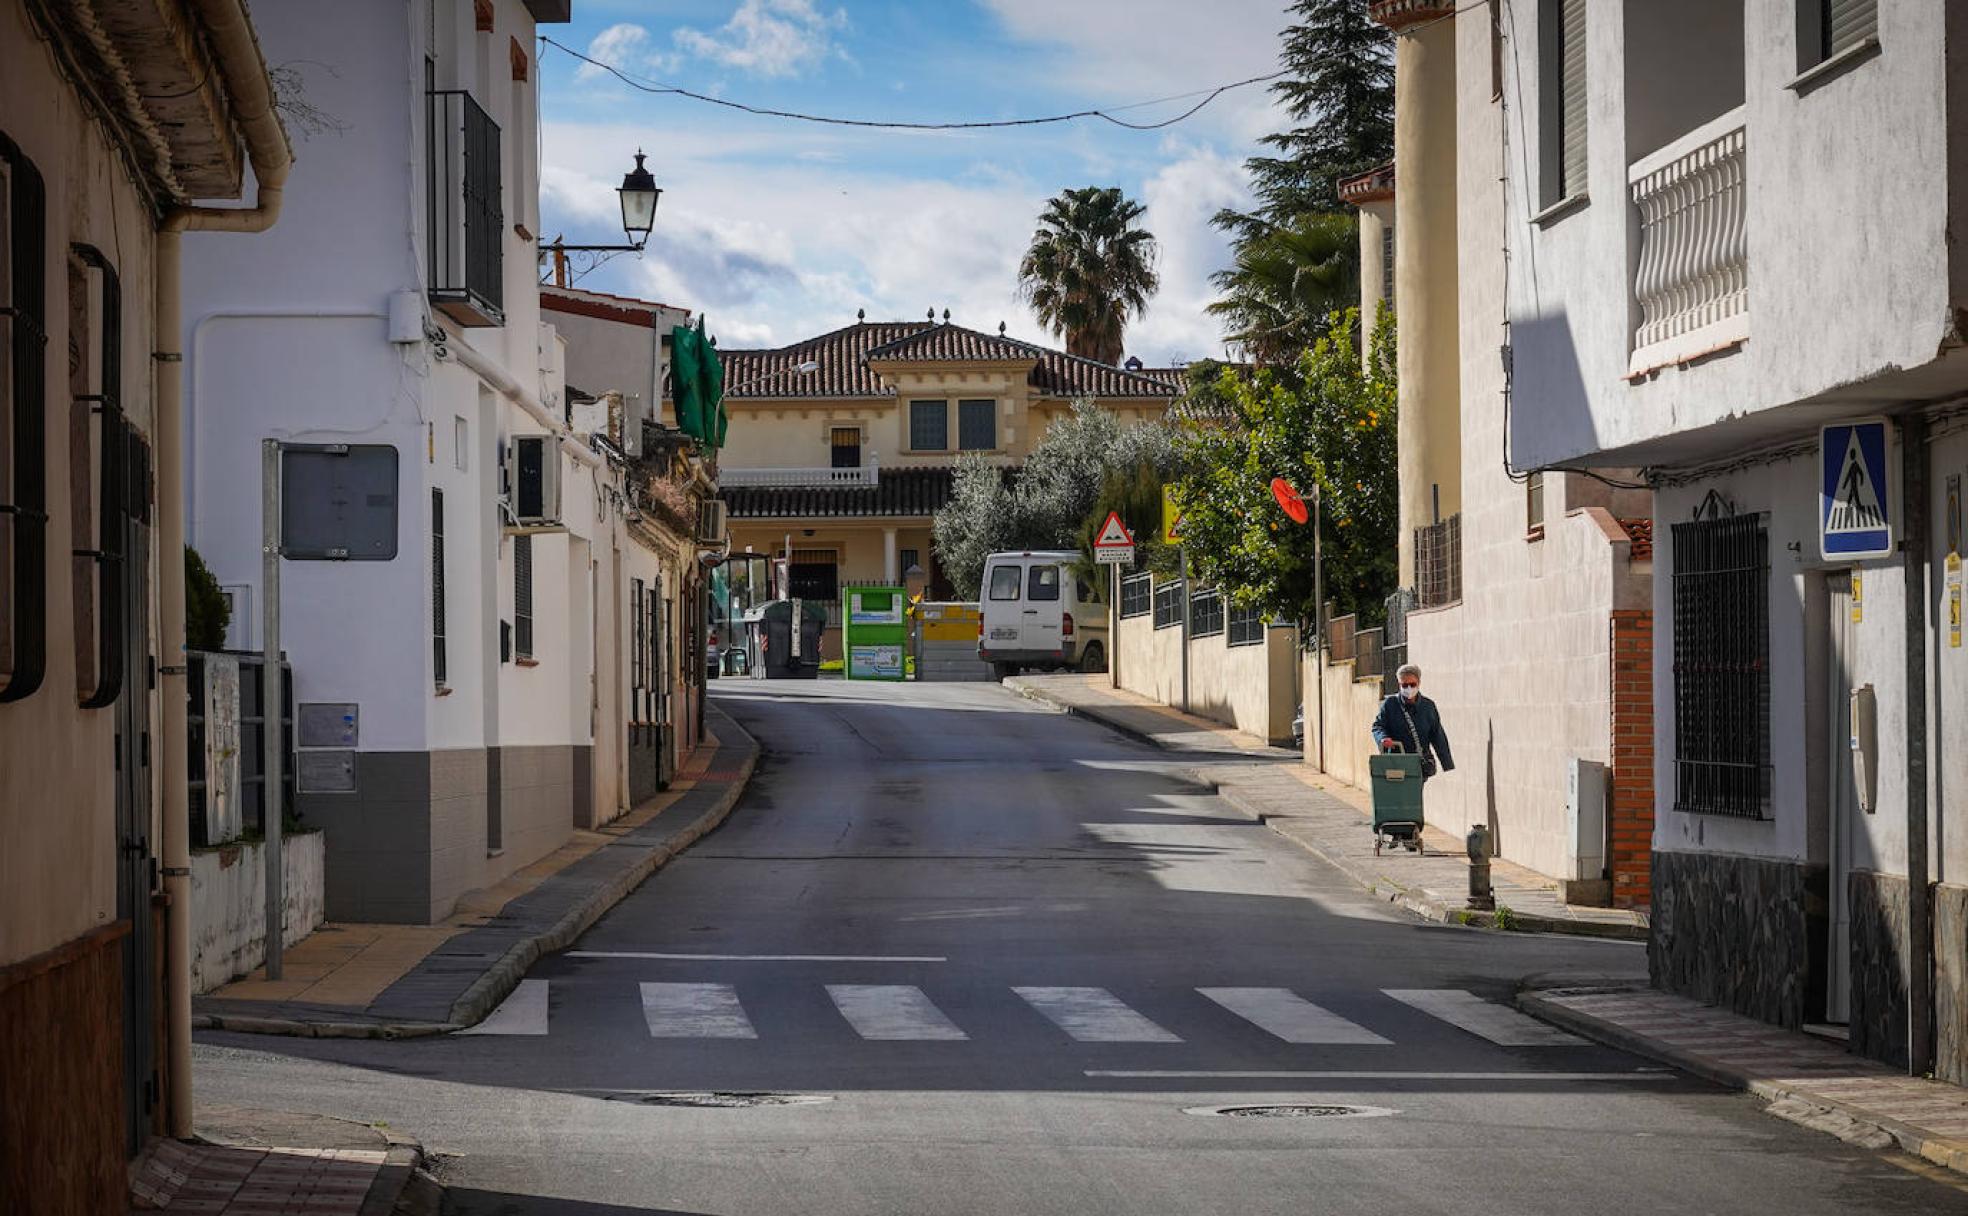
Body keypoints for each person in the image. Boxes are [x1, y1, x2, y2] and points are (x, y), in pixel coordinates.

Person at [1372, 663, 1454, 780]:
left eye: (1412, 684)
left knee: (1413, 796)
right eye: (1404, 685)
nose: (1409, 689)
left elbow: (1437, 734)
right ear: (1399, 684)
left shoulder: (1428, 706)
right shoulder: (1390, 704)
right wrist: (1383, 738)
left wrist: (1446, 762)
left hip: (1419, 764)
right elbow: (1378, 726)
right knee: (1398, 796)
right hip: (1396, 762)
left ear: (1419, 683)